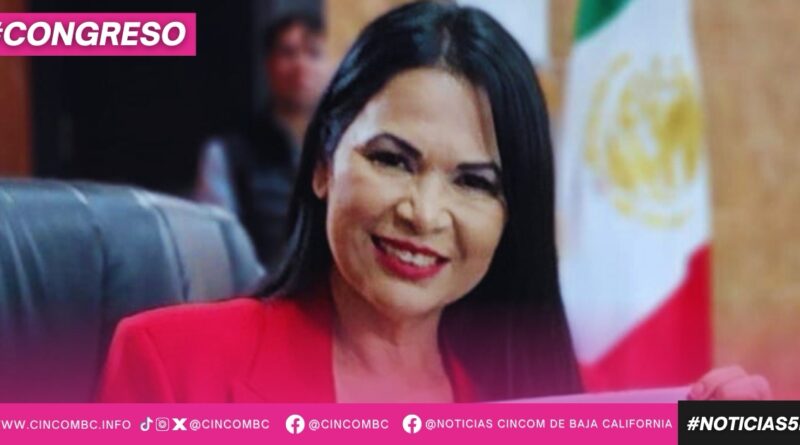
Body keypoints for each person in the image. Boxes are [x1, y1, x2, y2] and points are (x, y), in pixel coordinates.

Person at [99, 1, 770, 403]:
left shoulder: (551, 398)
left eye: (475, 183)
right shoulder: (169, 363)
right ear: (325, 164)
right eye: (392, 160)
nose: (423, 212)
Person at [194, 12, 329, 271]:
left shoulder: (350, 147)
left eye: (313, 53)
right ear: (268, 64)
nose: (300, 65)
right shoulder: (226, 153)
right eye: (288, 52)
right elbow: (216, 251)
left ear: (333, 64)